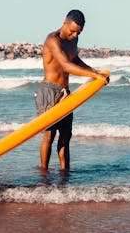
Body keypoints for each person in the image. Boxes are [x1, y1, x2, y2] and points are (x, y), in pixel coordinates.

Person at [35, 10, 109, 171]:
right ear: (65, 23)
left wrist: (95, 71)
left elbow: (74, 59)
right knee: (49, 135)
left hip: (65, 92)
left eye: (78, 32)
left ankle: (64, 173)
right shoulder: (53, 40)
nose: (75, 35)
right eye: (72, 31)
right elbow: (65, 65)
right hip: (49, 91)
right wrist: (94, 74)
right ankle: (44, 174)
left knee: (66, 135)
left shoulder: (73, 40)